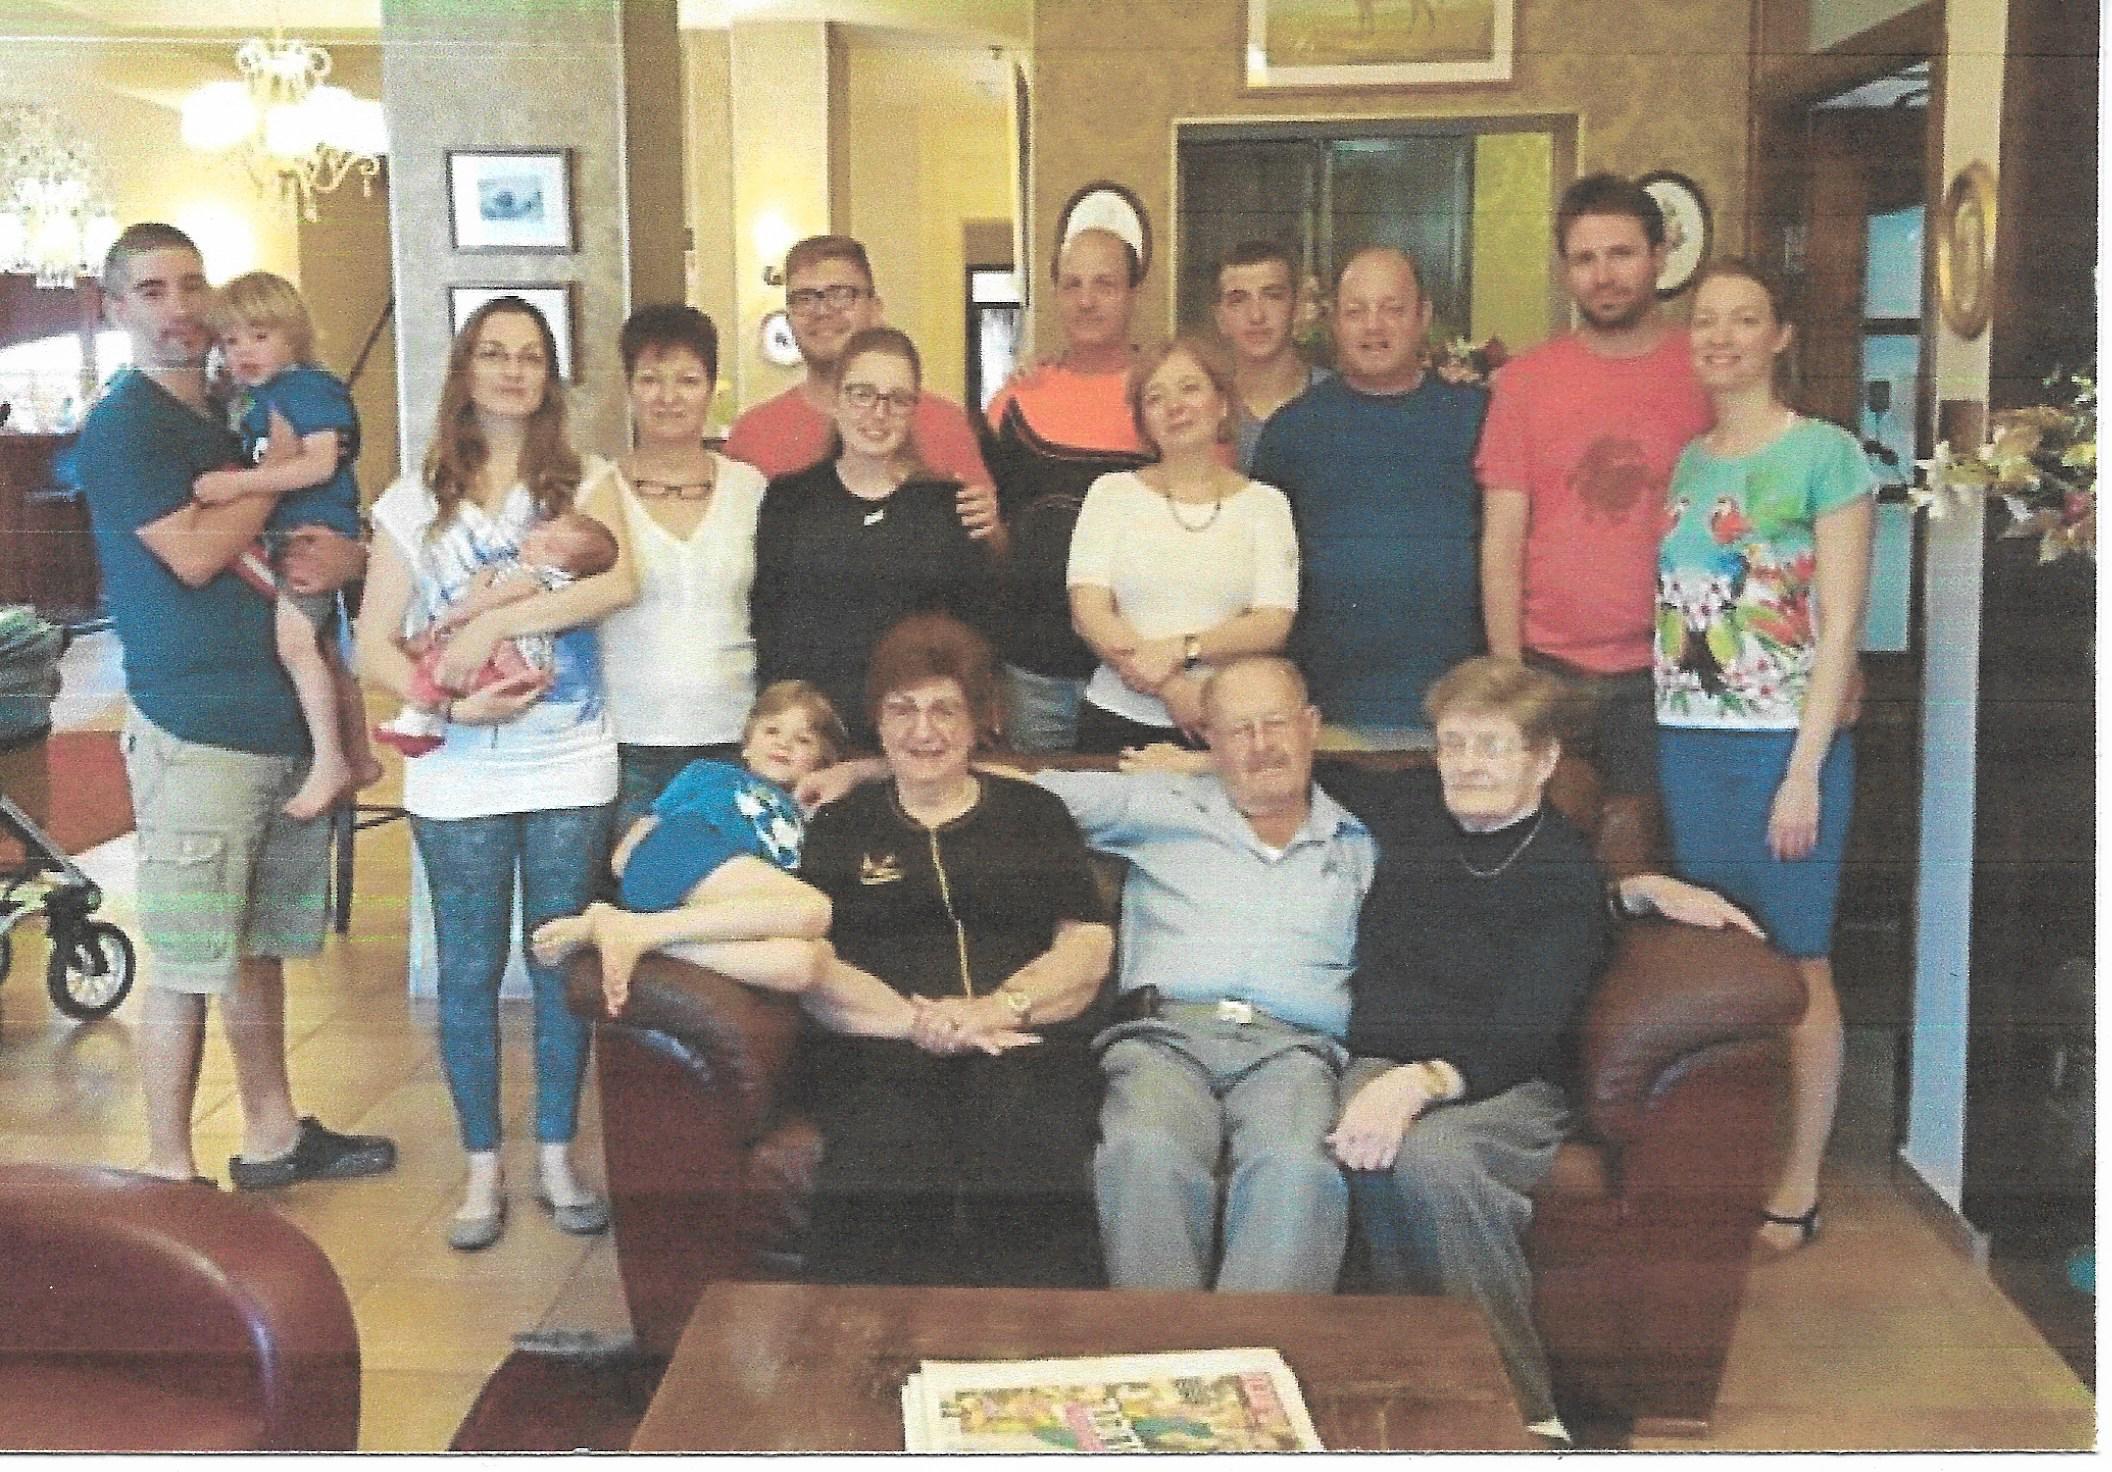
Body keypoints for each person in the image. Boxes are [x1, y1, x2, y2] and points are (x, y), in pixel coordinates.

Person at [1316, 656, 1758, 1441]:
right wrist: (1191, 762)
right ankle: (1418, 1391)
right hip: (1386, 1061)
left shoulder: (1561, 873)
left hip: (1507, 1080)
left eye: (1492, 746)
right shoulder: (1413, 804)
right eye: (1453, 744)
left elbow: (1525, 1030)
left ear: (1544, 760)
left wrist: (1420, 1083)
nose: (1467, 765)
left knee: (1436, 1160)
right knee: (1366, 1147)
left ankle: (1523, 1414)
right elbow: (1301, 765)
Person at [77, 222, 393, 1190]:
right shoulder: (126, 423)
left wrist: (343, 544)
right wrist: (285, 474)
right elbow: (194, 552)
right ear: (116, 308)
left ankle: (272, 1133)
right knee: (186, 956)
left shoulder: (237, 407)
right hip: (196, 722)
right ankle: (169, 1172)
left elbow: (321, 538)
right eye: (153, 290)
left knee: (259, 949)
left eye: (191, 285)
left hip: (278, 715)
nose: (179, 307)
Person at [355, 294, 639, 1252]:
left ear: (550, 376)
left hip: (568, 764)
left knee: (558, 963)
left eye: (530, 355)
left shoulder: (588, 482)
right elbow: (372, 641)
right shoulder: (411, 500)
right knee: (470, 971)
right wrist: (443, 703)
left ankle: (557, 1152)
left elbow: (619, 584)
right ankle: (483, 1166)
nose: (513, 370)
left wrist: (493, 625)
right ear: (465, 371)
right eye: (494, 353)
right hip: (458, 775)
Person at [1654, 260, 1875, 1258]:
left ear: (1781, 335)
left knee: (1798, 959)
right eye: (1706, 320)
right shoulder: (1689, 461)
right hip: (1689, 738)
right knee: (1719, 958)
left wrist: (1803, 770)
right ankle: (1721, 1165)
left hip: (1785, 746)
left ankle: (1799, 1178)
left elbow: (1841, 628)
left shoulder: (1826, 455)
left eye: (1744, 320)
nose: (1721, 337)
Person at [794, 613, 1116, 1288]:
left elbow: (1087, 943)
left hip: (1022, 1039)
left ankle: (1025, 1343)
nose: (924, 731)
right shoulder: (840, 828)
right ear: (877, 722)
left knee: (1023, 1129)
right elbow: (816, 967)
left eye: (945, 710)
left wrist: (996, 1010)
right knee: (885, 1143)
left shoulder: (1034, 815)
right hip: (881, 1045)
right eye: (902, 709)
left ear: (979, 721)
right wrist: (922, 1024)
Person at [1036, 656, 1374, 1292]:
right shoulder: (1158, 803)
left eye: (1275, 723)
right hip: (1165, 1040)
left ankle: (1256, 1348)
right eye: (1239, 730)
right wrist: (867, 770)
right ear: (1209, 741)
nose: (1261, 744)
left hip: (1294, 1052)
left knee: (1297, 1168)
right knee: (1144, 1151)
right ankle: (1167, 1349)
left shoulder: (1359, 839)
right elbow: (1018, 789)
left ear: (1311, 726)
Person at [1475, 173, 1713, 798]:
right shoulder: (1524, 383)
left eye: (1621, 254)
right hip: (1549, 672)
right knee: (1553, 847)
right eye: (1585, 259)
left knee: (1654, 846)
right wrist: (1509, 677)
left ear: (1659, 255)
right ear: (1565, 272)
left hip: (1676, 667)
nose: (1603, 276)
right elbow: (1502, 542)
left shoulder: (1705, 373)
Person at [1251, 246, 1486, 746]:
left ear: (1423, 316)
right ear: (1333, 322)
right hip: (1326, 713)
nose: (1373, 326)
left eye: (1392, 309)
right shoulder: (1292, 431)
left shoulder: (1476, 417)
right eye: (1355, 311)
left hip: (1459, 710)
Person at [530, 679, 849, 1018]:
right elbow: (645, 829)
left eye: (803, 740)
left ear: (820, 763)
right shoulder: (710, 773)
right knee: (811, 912)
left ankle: (622, 931)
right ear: (746, 745)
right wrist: (628, 861)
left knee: (802, 963)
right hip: (683, 850)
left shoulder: (803, 815)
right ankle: (630, 926)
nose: (784, 743)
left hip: (716, 908)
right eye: (772, 731)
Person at [191, 269, 380, 820]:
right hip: (293, 532)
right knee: (323, 651)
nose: (244, 351)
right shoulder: (264, 396)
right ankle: (358, 754)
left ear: (294, 335)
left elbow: (319, 464)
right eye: (231, 341)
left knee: (295, 647)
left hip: (313, 534)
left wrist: (239, 486)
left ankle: (330, 761)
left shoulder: (308, 388)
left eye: (260, 335)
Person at [750, 327, 990, 747]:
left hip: (908, 739)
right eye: (862, 394)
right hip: (807, 737)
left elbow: (967, 640)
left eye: (897, 399)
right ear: (836, 400)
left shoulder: (948, 507)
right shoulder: (789, 499)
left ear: (913, 410)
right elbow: (767, 623)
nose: (879, 413)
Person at [1066, 335, 1298, 751]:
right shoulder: (1110, 494)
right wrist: (1174, 689)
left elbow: (1271, 624)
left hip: (1229, 724)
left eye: (1190, 389)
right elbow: (1090, 614)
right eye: (1155, 398)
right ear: (1143, 419)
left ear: (1222, 403)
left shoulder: (1266, 505)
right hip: (1117, 720)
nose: (1175, 406)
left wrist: (1183, 649)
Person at [597, 305, 774, 834]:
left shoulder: (752, 490)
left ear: (712, 388)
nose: (668, 397)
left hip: (734, 735)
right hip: (624, 740)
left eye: (687, 380)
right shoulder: (594, 491)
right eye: (650, 379)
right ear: (628, 387)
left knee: (730, 880)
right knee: (629, 880)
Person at [723, 234, 1002, 554]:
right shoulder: (753, 434)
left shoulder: (943, 422)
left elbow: (989, 553)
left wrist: (992, 529)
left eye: (841, 294)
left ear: (875, 309)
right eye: (804, 298)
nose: (822, 310)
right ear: (788, 318)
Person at [984, 225, 1154, 750]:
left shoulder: (1165, 397)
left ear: (1134, 292)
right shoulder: (1015, 402)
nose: (1086, 300)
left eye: (1104, 284)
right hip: (1033, 671)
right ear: (1055, 293)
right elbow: (991, 536)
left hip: (1140, 671)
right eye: (1072, 284)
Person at [372, 508, 619, 757]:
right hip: (504, 660)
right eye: (543, 528)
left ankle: (417, 723)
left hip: (508, 661)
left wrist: (457, 613)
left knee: (435, 666)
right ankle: (425, 723)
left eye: (550, 547)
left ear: (570, 570)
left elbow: (495, 599)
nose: (536, 538)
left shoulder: (536, 578)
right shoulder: (522, 569)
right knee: (434, 660)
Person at [1211, 241, 1327, 472]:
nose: (1256, 316)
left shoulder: (1337, 401)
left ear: (1297, 309)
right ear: (1220, 318)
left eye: (1273, 296)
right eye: (1238, 300)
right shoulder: (1203, 409)